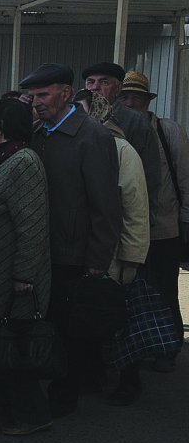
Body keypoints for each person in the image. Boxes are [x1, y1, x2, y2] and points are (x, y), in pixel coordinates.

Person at [22, 64, 121, 417]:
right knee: (45, 324)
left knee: (70, 329)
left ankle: (66, 394)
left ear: (66, 93)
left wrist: (97, 260)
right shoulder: (38, 133)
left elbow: (106, 205)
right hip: (39, 250)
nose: (37, 102)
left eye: (44, 95)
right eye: (33, 96)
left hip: (72, 253)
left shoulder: (93, 138)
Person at [0, 100, 53, 435]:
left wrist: (24, 276)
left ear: (0, 128)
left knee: (14, 344)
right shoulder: (4, 159)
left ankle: (32, 414)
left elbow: (32, 225)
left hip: (12, 278)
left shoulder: (24, 163)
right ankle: (2, 408)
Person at [76, 90, 150, 404]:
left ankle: (128, 380)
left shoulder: (122, 151)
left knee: (121, 319)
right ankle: (93, 374)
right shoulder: (75, 143)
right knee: (90, 317)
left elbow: (135, 209)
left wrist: (132, 257)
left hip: (115, 254)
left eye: (81, 109)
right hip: (85, 251)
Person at [117, 70, 189, 372]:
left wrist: (185, 222)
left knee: (165, 289)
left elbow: (184, 177)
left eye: (138, 96)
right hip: (130, 229)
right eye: (126, 96)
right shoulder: (115, 130)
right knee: (134, 291)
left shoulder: (167, 130)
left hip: (164, 228)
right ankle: (139, 345)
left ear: (147, 101)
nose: (131, 101)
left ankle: (168, 348)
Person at [82, 62, 160, 221]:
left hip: (118, 215)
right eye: (90, 82)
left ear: (118, 89)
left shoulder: (135, 122)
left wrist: (145, 219)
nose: (95, 87)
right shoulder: (75, 117)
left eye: (104, 82)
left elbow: (149, 176)